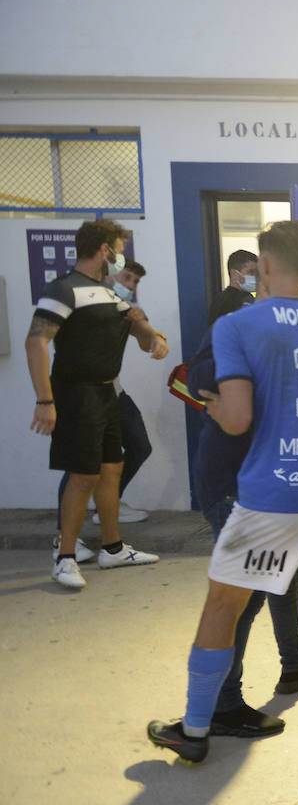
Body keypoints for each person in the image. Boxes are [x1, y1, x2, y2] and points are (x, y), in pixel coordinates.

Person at [147, 220, 298, 777]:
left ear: (262, 264)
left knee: (223, 607)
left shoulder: (238, 324)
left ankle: (196, 729)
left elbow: (236, 420)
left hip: (272, 499)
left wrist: (208, 405)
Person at [183, 277, 298, 739]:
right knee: (246, 593)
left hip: (275, 485)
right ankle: (222, 704)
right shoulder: (237, 329)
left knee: (294, 566)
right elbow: (203, 380)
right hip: (236, 483)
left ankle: (295, 663)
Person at [27, 219, 164, 590]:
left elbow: (132, 320)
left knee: (111, 469)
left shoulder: (105, 292)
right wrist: (45, 400)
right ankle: (65, 557)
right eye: (118, 248)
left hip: (106, 393)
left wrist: (151, 336)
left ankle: (113, 548)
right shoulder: (64, 289)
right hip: (75, 393)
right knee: (83, 474)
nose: (121, 256)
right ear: (104, 250)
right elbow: (35, 343)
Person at [208, 249, 258, 325]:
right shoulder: (244, 300)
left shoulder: (218, 300)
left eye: (257, 273)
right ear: (234, 274)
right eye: (251, 272)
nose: (256, 276)